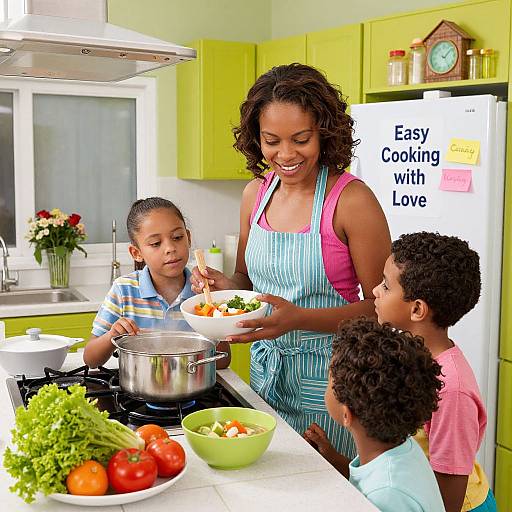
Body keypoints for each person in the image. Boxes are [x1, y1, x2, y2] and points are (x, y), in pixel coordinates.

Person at [191, 63, 391, 457]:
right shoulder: (256, 194)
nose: (285, 154)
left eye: (301, 139)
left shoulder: (351, 201)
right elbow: (247, 280)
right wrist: (224, 288)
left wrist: (299, 319)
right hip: (268, 376)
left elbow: (384, 310)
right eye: (271, 141)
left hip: (337, 387)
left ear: (324, 132)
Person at [305, 232, 496, 512]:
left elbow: (446, 499)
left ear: (417, 309)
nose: (375, 291)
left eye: (385, 285)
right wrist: (340, 462)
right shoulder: (402, 355)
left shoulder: (452, 389)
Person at [305, 317, 445, 512]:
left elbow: (380, 490)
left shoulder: (387, 494)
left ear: (347, 414)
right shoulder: (402, 447)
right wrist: (334, 458)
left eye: (329, 380)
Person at [84, 197, 231, 369]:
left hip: (192, 386)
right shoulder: (124, 290)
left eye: (177, 237)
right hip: (140, 387)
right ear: (136, 253)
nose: (170, 248)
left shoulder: (203, 293)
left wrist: (211, 322)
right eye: (156, 243)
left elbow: (223, 362)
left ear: (188, 238)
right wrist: (111, 335)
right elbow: (91, 360)